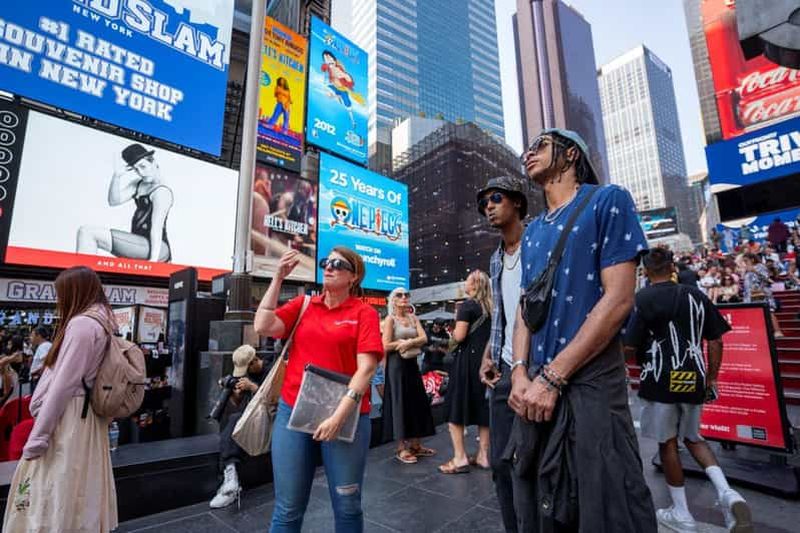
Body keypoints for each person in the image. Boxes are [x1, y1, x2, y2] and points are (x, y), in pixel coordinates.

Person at [508, 128, 656, 531]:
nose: (528, 154)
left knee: (605, 505)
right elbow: (526, 307)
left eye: (540, 145)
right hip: (535, 389)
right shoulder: (534, 229)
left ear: (571, 153)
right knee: (539, 505)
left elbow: (619, 299)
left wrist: (554, 377)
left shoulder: (608, 200)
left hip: (590, 383)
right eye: (527, 148)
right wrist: (519, 372)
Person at [254, 248, 383, 533]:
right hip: (294, 411)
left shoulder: (365, 313)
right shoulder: (303, 305)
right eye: (327, 262)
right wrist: (277, 277)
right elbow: (262, 325)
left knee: (347, 505)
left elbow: (367, 370)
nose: (329, 267)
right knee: (287, 508)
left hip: (346, 416)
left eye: (339, 264)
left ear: (354, 276)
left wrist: (338, 417)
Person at [624, 248, 752, 532]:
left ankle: (682, 513)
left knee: (667, 443)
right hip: (694, 376)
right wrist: (712, 379)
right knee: (694, 438)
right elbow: (716, 340)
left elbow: (629, 346)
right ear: (671, 268)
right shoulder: (696, 295)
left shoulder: (642, 298)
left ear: (645, 271)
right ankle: (727, 493)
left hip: (659, 380)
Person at [3, 266, 117, 532]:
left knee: (56, 483)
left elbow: (63, 385)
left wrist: (39, 436)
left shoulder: (81, 325)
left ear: (73, 292)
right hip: (87, 416)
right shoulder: (103, 324)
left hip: (69, 416)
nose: (59, 300)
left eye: (61, 293)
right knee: (79, 484)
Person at [475, 175, 527, 532]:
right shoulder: (495, 258)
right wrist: (488, 354)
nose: (488, 207)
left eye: (495, 198)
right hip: (505, 369)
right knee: (500, 463)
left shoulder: (539, 243)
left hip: (541, 368)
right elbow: (502, 314)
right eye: (484, 204)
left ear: (517, 202)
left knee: (538, 463)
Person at [77, 143, 174, 263]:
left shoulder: (162, 192)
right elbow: (114, 201)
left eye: (143, 166)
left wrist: (153, 262)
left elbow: (156, 228)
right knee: (86, 232)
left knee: (87, 232)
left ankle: (81, 280)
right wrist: (116, 176)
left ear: (153, 162)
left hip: (157, 247)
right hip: (140, 242)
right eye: (136, 169)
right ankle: (83, 278)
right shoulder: (138, 184)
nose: (141, 173)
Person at [439, 270, 492, 474]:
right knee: (482, 409)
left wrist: (453, 328)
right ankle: (483, 456)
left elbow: (460, 336)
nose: (464, 283)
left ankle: (459, 458)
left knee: (455, 407)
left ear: (474, 285)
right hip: (486, 363)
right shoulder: (492, 306)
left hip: (466, 363)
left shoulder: (467, 306)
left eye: (467, 280)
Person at [209, 345, 269, 509]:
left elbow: (274, 401)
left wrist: (253, 388)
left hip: (271, 418)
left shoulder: (273, 369)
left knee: (235, 418)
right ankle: (230, 476)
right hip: (252, 417)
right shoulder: (249, 374)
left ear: (254, 361)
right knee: (229, 415)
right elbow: (240, 403)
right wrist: (235, 394)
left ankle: (230, 479)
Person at [382, 287, 436, 464]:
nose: (404, 297)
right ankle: (401, 447)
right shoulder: (390, 320)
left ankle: (416, 445)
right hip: (397, 366)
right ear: (393, 300)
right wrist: (402, 344)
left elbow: (424, 338)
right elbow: (386, 345)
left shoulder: (413, 318)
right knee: (399, 402)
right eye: (399, 295)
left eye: (406, 295)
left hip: (412, 364)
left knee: (416, 401)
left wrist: (409, 342)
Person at [28, 326, 51, 393]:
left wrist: (37, 373)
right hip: (40, 379)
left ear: (39, 336)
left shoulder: (43, 346)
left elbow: (48, 361)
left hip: (38, 379)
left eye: (32, 335)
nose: (30, 338)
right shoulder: (47, 345)